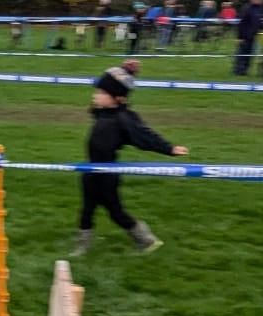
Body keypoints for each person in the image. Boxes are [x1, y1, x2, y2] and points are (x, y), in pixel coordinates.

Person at [72, 59, 189, 256]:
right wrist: (124, 71)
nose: (95, 96)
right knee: (87, 209)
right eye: (97, 92)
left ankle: (146, 239)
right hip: (90, 171)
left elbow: (146, 136)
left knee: (115, 212)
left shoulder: (123, 119)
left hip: (108, 175)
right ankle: (82, 245)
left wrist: (169, 149)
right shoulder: (102, 113)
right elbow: (117, 85)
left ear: (117, 99)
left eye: (101, 93)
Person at [232, 0, 263, 75]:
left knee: (250, 54)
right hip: (245, 36)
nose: (262, 0)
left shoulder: (260, 9)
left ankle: (244, 70)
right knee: (242, 53)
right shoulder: (246, 8)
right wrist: (239, 37)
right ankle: (238, 71)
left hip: (253, 35)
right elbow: (241, 23)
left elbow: (259, 22)